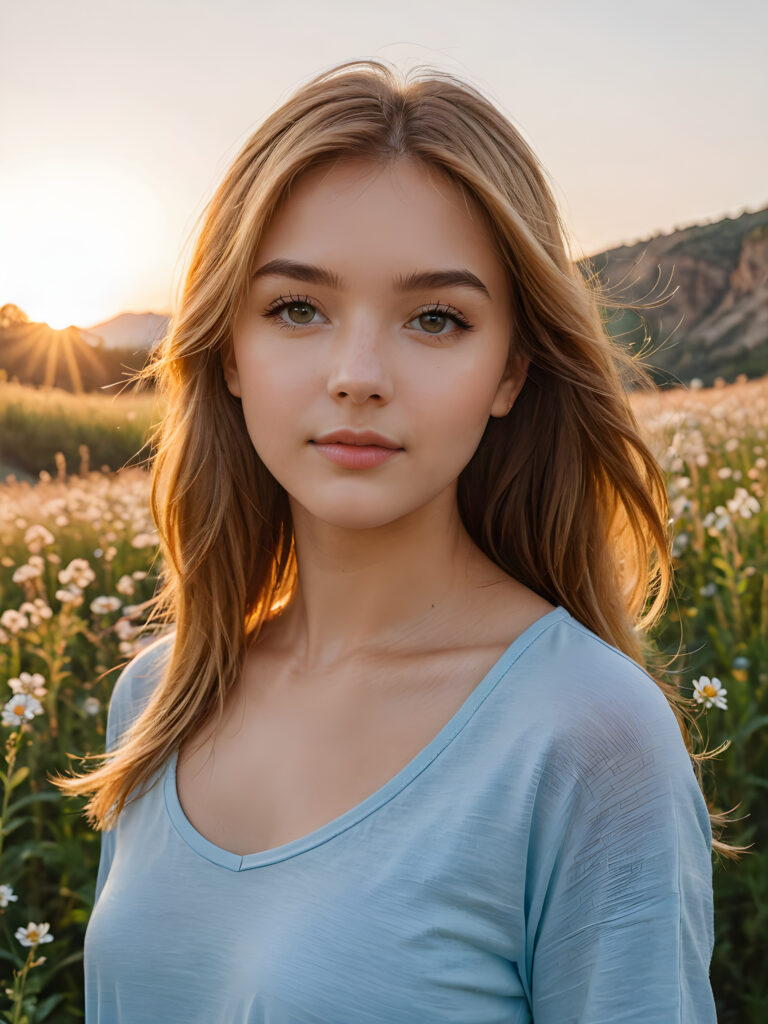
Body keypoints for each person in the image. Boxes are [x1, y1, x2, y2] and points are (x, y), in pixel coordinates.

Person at [53, 58, 734, 1022]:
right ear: (229, 351)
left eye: (435, 319)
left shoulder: (588, 736)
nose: (358, 374)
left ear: (510, 372)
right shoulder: (156, 699)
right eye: (296, 307)